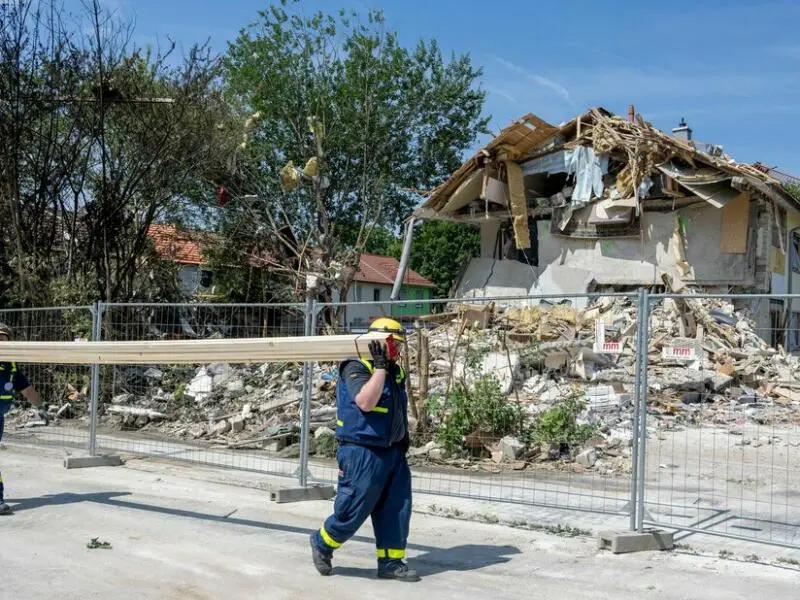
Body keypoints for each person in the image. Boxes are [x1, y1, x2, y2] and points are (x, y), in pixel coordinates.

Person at [310, 317, 419, 582]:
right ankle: (323, 543)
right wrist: (379, 368)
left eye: (400, 346)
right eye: (395, 345)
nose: (399, 351)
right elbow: (365, 402)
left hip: (392, 452)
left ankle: (391, 563)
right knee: (354, 507)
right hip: (362, 451)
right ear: (380, 343)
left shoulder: (395, 371)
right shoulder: (356, 366)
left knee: (397, 509)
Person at [0, 323, 48, 515]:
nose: (1, 342)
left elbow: (28, 391)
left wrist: (41, 408)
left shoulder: (12, 368)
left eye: (4, 339)